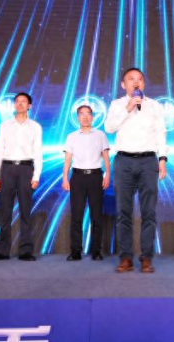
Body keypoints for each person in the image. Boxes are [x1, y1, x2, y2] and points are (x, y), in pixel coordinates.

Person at [105, 67, 167, 273]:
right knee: (123, 211)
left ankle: (146, 257)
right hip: (123, 161)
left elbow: (161, 133)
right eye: (131, 79)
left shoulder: (154, 106)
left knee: (148, 211)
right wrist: (129, 107)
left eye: (139, 79)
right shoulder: (117, 105)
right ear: (124, 85)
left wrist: (162, 159)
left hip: (148, 161)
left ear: (143, 83)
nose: (136, 82)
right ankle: (125, 258)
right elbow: (109, 128)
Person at [0, 93, 42, 262]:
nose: (20, 104)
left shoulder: (35, 127)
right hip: (7, 168)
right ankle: (2, 250)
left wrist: (36, 175)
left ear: (29, 106)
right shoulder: (5, 125)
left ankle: (26, 250)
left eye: (23, 101)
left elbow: (38, 152)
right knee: (5, 211)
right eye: (17, 101)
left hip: (26, 169)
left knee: (25, 211)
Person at [62, 105, 110, 261]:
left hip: (96, 177)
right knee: (76, 216)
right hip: (77, 178)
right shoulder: (71, 136)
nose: (85, 117)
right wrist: (65, 177)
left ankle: (96, 251)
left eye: (88, 114)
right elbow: (68, 159)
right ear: (77, 117)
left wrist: (107, 174)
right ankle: (75, 251)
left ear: (92, 116)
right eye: (81, 114)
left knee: (96, 216)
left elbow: (105, 156)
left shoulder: (100, 135)